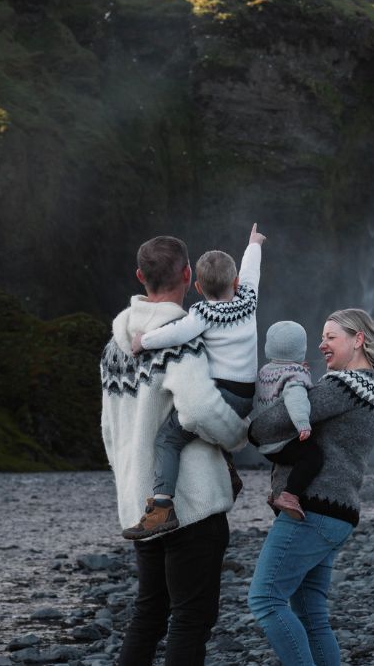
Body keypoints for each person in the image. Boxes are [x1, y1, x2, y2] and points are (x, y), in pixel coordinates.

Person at [100, 235, 250, 665]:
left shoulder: (114, 348)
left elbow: (111, 431)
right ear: (188, 276)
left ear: (139, 277)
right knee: (191, 618)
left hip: (141, 505)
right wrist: (238, 433)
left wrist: (133, 484)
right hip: (192, 504)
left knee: (148, 612)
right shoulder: (182, 338)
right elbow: (201, 410)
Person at [247, 308, 374, 666]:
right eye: (321, 337)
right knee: (311, 614)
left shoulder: (343, 386)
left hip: (312, 510)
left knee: (265, 599)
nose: (322, 345)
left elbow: (273, 423)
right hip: (338, 514)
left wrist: (252, 424)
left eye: (331, 337)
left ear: (358, 339)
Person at [123, 223, 265, 539]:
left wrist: (142, 341)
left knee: (168, 439)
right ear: (236, 282)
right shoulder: (249, 301)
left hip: (220, 394)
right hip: (245, 397)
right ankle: (228, 474)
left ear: (197, 286)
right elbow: (252, 271)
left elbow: (176, 333)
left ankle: (161, 507)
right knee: (207, 431)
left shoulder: (202, 314)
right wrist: (253, 244)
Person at [249, 320, 321, 521]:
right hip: (283, 438)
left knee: (285, 462)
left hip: (266, 442)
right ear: (302, 349)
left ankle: (275, 492)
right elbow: (295, 397)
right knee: (313, 456)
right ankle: (290, 495)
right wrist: (302, 423)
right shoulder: (294, 375)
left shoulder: (265, 371)